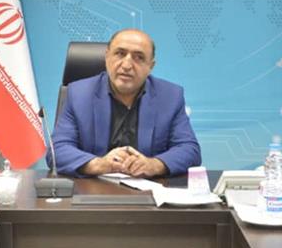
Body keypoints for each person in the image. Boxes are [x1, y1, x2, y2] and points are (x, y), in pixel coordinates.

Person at [51, 29, 201, 177]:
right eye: (120, 54)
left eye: (139, 57)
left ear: (151, 66)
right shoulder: (79, 94)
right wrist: (99, 164)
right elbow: (57, 149)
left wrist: (155, 165)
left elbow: (189, 150)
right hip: (93, 188)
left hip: (148, 188)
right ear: (107, 57)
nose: (127, 65)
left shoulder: (170, 97)